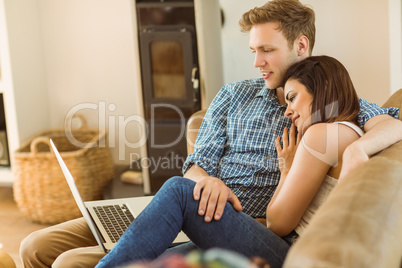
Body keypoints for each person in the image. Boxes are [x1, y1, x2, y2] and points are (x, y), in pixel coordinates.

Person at [20, 1, 401, 267]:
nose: (257, 62)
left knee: (72, 262)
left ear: (301, 46)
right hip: (193, 202)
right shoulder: (233, 95)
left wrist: (358, 150)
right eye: (253, 50)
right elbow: (196, 164)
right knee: (35, 245)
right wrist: (205, 182)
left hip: (232, 224)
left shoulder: (324, 107)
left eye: (267, 50)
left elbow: (392, 123)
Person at [94, 55, 367, 268]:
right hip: (292, 249)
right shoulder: (349, 129)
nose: (288, 111)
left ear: (325, 88)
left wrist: (285, 170)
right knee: (157, 259)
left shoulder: (321, 134)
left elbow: (278, 223)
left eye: (293, 98)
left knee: (180, 191)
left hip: (292, 254)